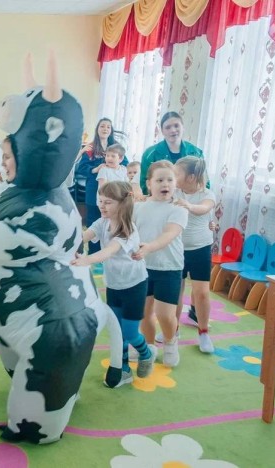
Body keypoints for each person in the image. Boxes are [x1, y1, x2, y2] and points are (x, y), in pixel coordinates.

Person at [0, 56, 124, 445]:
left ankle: (41, 420)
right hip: (26, 317)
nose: (4, 162)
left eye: (10, 156)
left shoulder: (51, 207)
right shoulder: (14, 189)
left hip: (55, 327)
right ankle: (44, 390)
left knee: (34, 417)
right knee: (22, 370)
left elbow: (3, 239)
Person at [73, 181, 155, 387]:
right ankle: (124, 368)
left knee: (130, 332)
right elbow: (84, 236)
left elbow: (108, 251)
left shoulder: (127, 230)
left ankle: (146, 353)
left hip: (134, 286)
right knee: (117, 331)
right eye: (100, 201)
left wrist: (86, 260)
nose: (102, 205)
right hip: (114, 285)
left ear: (122, 204)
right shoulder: (102, 222)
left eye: (108, 202)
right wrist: (67, 243)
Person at [131, 161, 188, 368]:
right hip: (142, 267)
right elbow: (127, 229)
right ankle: (147, 348)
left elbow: (169, 234)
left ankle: (171, 342)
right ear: (149, 183)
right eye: (160, 180)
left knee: (165, 314)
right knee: (144, 313)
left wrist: (149, 247)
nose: (165, 184)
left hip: (169, 268)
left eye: (170, 180)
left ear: (176, 183)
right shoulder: (138, 207)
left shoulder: (179, 209)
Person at [171, 156, 216, 354]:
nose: (172, 177)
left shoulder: (207, 194)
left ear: (190, 177)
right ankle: (173, 329)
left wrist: (189, 206)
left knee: (202, 293)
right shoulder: (174, 191)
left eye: (176, 174)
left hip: (200, 249)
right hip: (176, 248)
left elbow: (203, 208)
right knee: (175, 292)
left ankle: (203, 332)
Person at [75, 118, 125, 254]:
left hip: (115, 194)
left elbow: (125, 164)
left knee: (112, 224)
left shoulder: (116, 147)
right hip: (94, 192)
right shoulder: (90, 148)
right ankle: (94, 254)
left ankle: (109, 253)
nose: (105, 129)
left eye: (108, 127)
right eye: (102, 126)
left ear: (111, 130)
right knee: (94, 223)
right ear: (97, 129)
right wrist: (95, 169)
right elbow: (82, 168)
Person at [139, 111, 204, 195]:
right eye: (168, 127)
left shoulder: (196, 153)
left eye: (176, 126)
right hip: (160, 200)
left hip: (191, 200)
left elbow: (204, 183)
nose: (173, 130)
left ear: (183, 127)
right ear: (162, 131)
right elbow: (144, 184)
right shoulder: (149, 154)